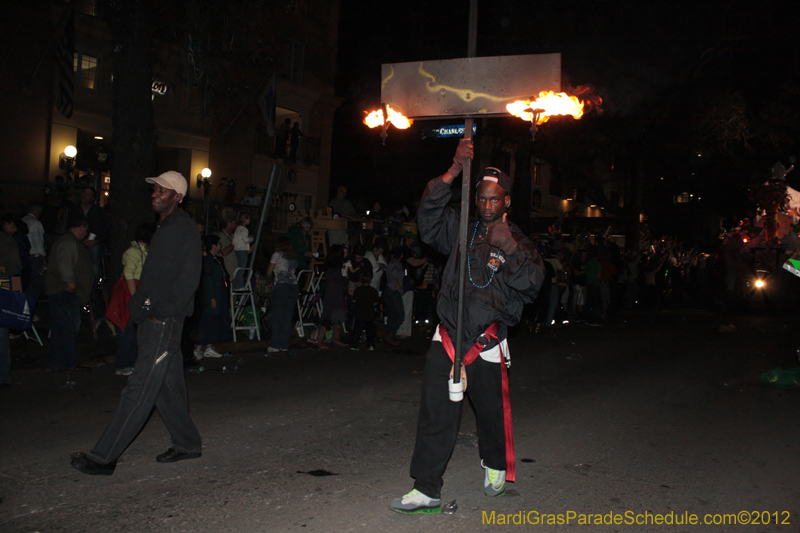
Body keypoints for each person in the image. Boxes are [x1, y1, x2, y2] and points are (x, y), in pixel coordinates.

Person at [391, 139, 545, 514]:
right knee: (435, 412)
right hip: (447, 335)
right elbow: (427, 222)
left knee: (490, 414)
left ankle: (494, 463)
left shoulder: (519, 241)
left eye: (495, 199)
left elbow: (533, 285)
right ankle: (426, 488)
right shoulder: (461, 228)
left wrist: (509, 249)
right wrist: (453, 172)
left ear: (506, 200)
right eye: (482, 199)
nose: (487, 205)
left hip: (487, 342)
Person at [71, 170, 203, 475]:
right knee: (167, 387)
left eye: (163, 190)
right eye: (154, 189)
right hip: (155, 318)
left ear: (178, 196)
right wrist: (141, 308)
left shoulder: (181, 228)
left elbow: (188, 279)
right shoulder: (168, 226)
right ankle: (187, 443)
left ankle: (103, 458)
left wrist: (162, 312)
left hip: (163, 321)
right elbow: (157, 276)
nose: (155, 194)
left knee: (140, 388)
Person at [45, 215, 93, 371]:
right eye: (85, 230)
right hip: (63, 291)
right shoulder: (68, 242)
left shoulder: (69, 242)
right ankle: (67, 362)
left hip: (61, 291)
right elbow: (65, 263)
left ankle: (60, 362)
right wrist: (70, 283)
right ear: (80, 227)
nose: (85, 234)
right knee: (68, 327)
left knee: (62, 328)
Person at [114, 223, 154, 376]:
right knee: (126, 329)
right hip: (130, 293)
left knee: (139, 330)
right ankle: (124, 364)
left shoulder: (147, 251)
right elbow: (128, 275)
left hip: (141, 291)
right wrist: (135, 298)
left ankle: (135, 361)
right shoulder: (132, 252)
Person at [193, 235, 231, 360]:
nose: (220, 246)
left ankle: (209, 347)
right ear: (213, 246)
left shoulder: (217, 259)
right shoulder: (207, 259)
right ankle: (198, 348)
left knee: (214, 321)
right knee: (207, 321)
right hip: (212, 295)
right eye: (219, 243)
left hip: (220, 294)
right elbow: (207, 279)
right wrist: (212, 296)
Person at [266, 237, 299, 352]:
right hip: (293, 286)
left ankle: (275, 344)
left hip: (282, 286)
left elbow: (269, 270)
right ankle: (284, 344)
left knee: (277, 316)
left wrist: (268, 280)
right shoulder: (293, 257)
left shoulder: (277, 254)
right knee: (287, 317)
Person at [0, 225, 22, 388]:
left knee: (1, 336)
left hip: (2, 292)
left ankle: (3, 376)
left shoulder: (6, 241)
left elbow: (14, 268)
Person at [21, 204, 46, 314]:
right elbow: (38, 243)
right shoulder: (35, 223)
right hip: (34, 257)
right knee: (36, 285)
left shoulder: (23, 220)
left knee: (28, 284)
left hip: (25, 257)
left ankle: (25, 310)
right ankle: (28, 311)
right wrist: (44, 261)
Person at [349, 272, 379, 351]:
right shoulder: (373, 290)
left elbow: (354, 300)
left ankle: (354, 344)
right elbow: (376, 301)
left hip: (360, 312)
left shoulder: (358, 290)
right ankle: (370, 344)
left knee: (357, 329)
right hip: (369, 312)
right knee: (370, 330)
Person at [232, 211, 254, 290]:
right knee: (242, 268)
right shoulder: (244, 229)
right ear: (245, 220)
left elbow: (234, 241)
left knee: (239, 268)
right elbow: (245, 240)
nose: (250, 221)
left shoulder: (237, 228)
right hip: (242, 251)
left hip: (237, 250)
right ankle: (238, 285)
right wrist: (251, 238)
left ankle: (237, 284)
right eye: (249, 219)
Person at [217, 208, 239, 281]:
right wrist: (234, 243)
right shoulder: (221, 236)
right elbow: (223, 252)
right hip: (226, 275)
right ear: (229, 223)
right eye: (234, 221)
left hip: (235, 273)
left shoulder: (233, 236)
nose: (235, 223)